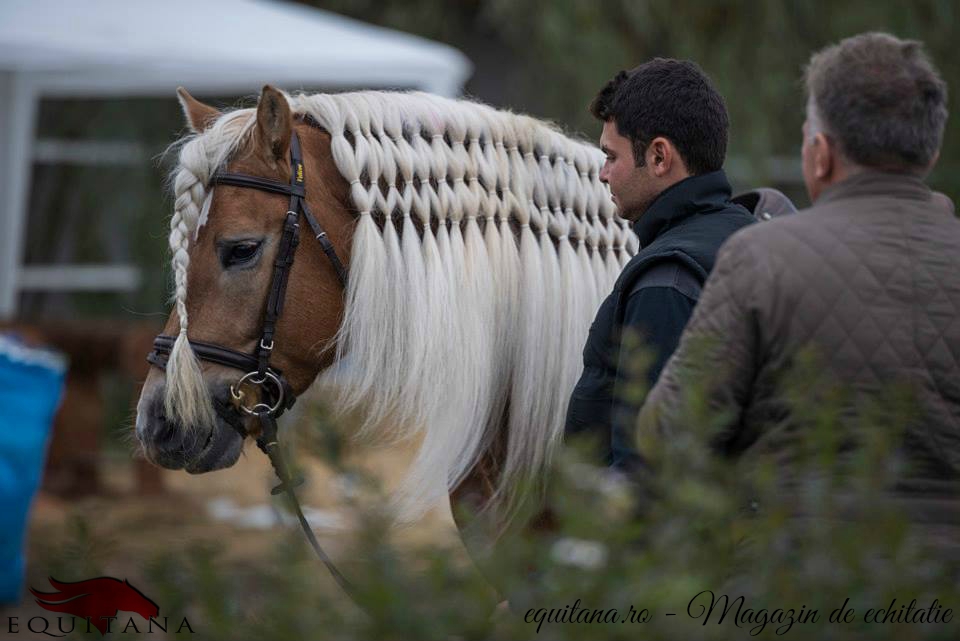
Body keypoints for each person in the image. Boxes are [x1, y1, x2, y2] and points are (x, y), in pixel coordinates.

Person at [637, 33, 958, 549]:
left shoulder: (760, 258)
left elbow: (670, 432)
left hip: (802, 584)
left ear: (820, 153)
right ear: (931, 150)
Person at [564, 59, 755, 472]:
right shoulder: (749, 238)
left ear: (659, 157)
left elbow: (648, 471)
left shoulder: (665, 282)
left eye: (611, 156)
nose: (601, 174)